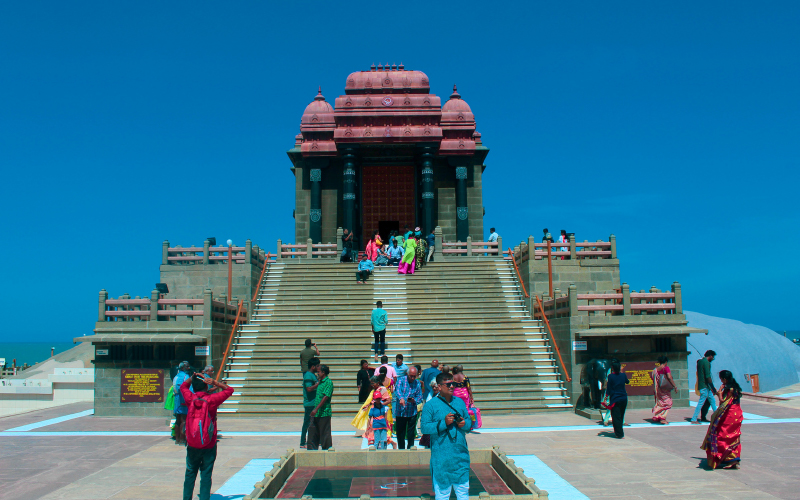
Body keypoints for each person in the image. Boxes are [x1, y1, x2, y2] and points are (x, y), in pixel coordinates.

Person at [180, 372, 233, 500]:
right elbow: (230, 390)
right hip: (209, 443)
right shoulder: (212, 400)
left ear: (194, 386)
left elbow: (183, 387)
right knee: (206, 474)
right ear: (206, 386)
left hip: (192, 443)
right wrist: (215, 382)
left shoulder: (190, 398)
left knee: (190, 473)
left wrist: (191, 378)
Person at [421, 372, 473, 500]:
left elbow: (469, 421)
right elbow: (424, 427)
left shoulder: (460, 402)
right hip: (441, 459)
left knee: (463, 494)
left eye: (453, 384)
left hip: (460, 457)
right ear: (439, 387)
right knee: (442, 495)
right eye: (448, 384)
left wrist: (465, 423)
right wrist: (444, 423)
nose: (452, 386)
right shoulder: (430, 405)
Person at [701, 370, 743, 469]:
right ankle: (733, 458)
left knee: (722, 435)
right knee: (733, 435)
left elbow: (723, 401)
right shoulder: (736, 387)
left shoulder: (729, 389)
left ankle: (727, 458)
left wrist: (719, 391)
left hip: (729, 415)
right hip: (737, 414)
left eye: (721, 379)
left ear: (724, 379)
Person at [393, 366, 422, 449]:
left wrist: (414, 400)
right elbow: (398, 390)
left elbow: (419, 396)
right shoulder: (401, 380)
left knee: (411, 433)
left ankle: (410, 448)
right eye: (411, 376)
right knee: (400, 432)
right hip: (401, 412)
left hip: (411, 411)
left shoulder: (417, 383)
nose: (412, 378)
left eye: (414, 376)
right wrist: (401, 398)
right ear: (407, 374)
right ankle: (401, 449)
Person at [307, 364, 334, 450]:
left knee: (325, 433)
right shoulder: (320, 382)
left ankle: (326, 450)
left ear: (323, 372)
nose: (317, 373)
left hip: (324, 412)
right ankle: (312, 450)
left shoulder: (328, 382)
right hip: (317, 413)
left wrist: (316, 409)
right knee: (313, 432)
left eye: (318, 372)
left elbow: (325, 397)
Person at [691, 350, 718, 424]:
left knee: (712, 401)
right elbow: (707, 376)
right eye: (713, 357)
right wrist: (713, 387)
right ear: (710, 356)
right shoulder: (706, 363)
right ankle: (694, 419)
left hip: (704, 386)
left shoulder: (700, 362)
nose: (713, 359)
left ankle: (717, 418)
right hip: (705, 386)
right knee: (701, 402)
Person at [606, 359, 629, 438]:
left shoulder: (611, 376)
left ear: (612, 368)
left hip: (615, 399)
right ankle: (619, 432)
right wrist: (622, 372)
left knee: (615, 417)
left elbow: (608, 388)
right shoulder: (623, 375)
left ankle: (619, 434)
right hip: (623, 398)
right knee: (621, 416)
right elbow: (627, 381)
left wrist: (606, 397)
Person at [300, 357, 321, 449]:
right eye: (317, 366)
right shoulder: (308, 376)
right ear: (313, 367)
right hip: (310, 403)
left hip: (314, 403)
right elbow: (309, 389)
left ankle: (315, 440)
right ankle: (303, 442)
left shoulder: (313, 375)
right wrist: (318, 384)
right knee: (307, 423)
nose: (319, 367)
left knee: (315, 422)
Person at [651, 355, 676, 424]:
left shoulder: (655, 370)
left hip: (658, 390)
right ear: (665, 362)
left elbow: (653, 379)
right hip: (665, 390)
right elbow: (669, 377)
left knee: (660, 403)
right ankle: (662, 417)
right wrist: (674, 386)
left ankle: (658, 416)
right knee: (668, 403)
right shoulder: (666, 368)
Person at [172, 361, 192, 445]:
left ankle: (177, 439)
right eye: (187, 366)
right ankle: (182, 439)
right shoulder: (185, 376)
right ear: (183, 368)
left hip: (176, 399)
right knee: (184, 420)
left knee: (177, 420)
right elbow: (189, 389)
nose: (189, 368)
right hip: (183, 399)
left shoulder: (176, 376)